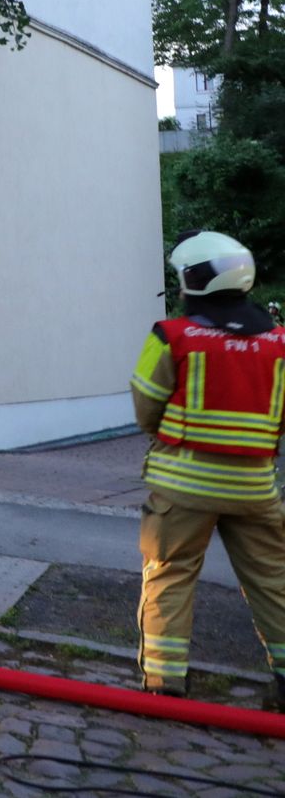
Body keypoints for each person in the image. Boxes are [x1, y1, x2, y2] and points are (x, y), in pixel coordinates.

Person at [129, 230, 285, 708]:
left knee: (170, 573)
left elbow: (146, 407)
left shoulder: (172, 336)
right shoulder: (281, 342)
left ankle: (164, 681)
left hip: (182, 486)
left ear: (195, 279)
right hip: (255, 486)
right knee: (273, 580)